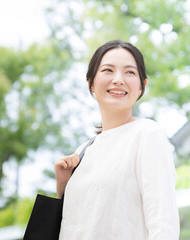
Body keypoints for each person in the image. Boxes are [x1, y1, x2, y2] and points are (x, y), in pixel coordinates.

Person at [54, 39, 179, 239]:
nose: (119, 79)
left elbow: (163, 224)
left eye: (130, 72)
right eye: (108, 70)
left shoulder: (147, 134)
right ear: (91, 83)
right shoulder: (83, 150)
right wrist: (63, 187)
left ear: (141, 86)